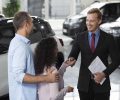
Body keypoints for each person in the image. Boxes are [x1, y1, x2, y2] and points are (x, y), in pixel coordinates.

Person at [68, 8, 119, 100]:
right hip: (84, 85)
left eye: (92, 21)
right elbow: (73, 54)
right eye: (87, 20)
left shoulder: (108, 38)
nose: (88, 23)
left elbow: (116, 61)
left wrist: (104, 74)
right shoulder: (80, 37)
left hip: (102, 85)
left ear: (99, 21)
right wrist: (71, 59)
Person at [8, 11, 59, 100]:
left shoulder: (15, 42)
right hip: (24, 97)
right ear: (26, 24)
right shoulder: (21, 46)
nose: (33, 26)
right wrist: (46, 78)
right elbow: (19, 75)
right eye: (31, 22)